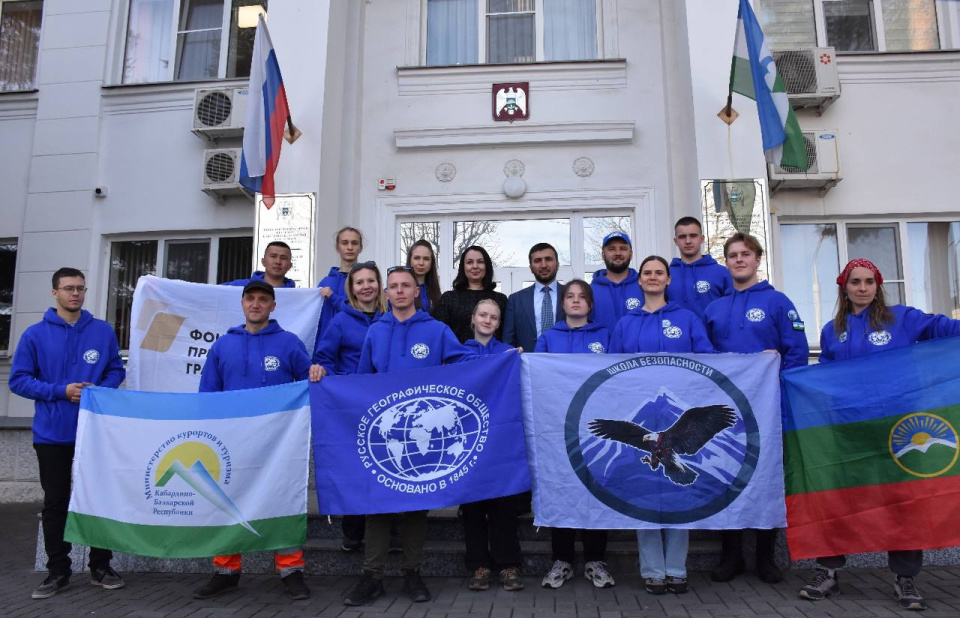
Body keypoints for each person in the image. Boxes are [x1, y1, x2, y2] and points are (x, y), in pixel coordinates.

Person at [797, 258, 960, 611]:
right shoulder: (832, 331)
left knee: (902, 501)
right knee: (838, 500)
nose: (863, 288)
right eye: (855, 282)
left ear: (878, 286)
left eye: (869, 282)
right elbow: (826, 376)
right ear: (844, 287)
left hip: (896, 430)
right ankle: (828, 571)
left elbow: (944, 329)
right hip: (848, 430)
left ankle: (905, 577)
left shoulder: (902, 318)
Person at [344, 266, 476, 606]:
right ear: (386, 293)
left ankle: (412, 573)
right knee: (377, 506)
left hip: (421, 433)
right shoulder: (375, 332)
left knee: (416, 507)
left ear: (417, 292)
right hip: (386, 434)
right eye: (394, 286)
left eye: (406, 285)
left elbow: (466, 363)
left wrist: (499, 359)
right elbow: (363, 380)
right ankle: (372, 577)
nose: (400, 291)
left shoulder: (437, 330)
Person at [193, 280, 323, 601]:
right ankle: (226, 571)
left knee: (284, 502)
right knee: (227, 503)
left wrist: (318, 373)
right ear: (242, 303)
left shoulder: (289, 343)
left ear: (273, 306)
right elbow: (207, 397)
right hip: (231, 443)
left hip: (278, 445)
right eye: (250, 298)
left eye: (263, 299)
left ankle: (291, 570)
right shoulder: (223, 346)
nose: (256, 304)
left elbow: (309, 384)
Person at [10, 267, 127, 600]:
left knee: (99, 499)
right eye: (68, 288)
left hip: (95, 433)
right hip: (52, 434)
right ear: (55, 293)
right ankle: (58, 570)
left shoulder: (102, 331)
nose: (75, 294)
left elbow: (116, 370)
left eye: (80, 288)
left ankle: (101, 566)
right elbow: (18, 380)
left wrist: (97, 391)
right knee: (56, 503)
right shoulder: (34, 335)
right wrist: (61, 391)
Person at [703, 233, 809, 584]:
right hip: (726, 409)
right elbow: (705, 357)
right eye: (732, 255)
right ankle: (731, 556)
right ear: (726, 262)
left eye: (745, 254)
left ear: (757, 259)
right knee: (726, 476)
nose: (739, 260)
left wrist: (776, 372)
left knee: (766, 478)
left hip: (767, 407)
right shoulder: (714, 308)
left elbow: (797, 352)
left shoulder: (778, 302)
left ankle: (766, 557)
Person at [609, 257, 714, 595]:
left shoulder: (688, 319)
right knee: (645, 493)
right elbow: (609, 372)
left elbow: (709, 363)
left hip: (677, 417)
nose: (653, 277)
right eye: (647, 273)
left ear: (668, 279)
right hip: (641, 420)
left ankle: (677, 568)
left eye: (659, 273)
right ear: (639, 281)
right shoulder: (625, 324)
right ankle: (653, 570)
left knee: (678, 495)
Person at [535, 280, 615, 590]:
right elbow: (537, 378)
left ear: (590, 304)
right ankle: (562, 560)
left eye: (582, 297)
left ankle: (596, 560)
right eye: (570, 296)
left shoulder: (605, 336)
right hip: (557, 426)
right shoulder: (548, 338)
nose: (576, 301)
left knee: (595, 487)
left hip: (596, 427)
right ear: (563, 304)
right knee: (561, 488)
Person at [313, 262, 386, 552]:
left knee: (385, 466)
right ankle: (353, 532)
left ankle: (387, 531)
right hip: (352, 407)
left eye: (371, 280)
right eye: (359, 282)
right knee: (356, 468)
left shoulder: (391, 318)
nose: (366, 286)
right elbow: (324, 358)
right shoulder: (340, 321)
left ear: (379, 285)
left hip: (384, 404)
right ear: (351, 289)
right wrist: (330, 375)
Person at [460, 299, 524, 592]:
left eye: (493, 317)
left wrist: (518, 361)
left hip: (501, 442)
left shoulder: (508, 354)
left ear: (499, 324)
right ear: (473, 318)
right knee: (473, 508)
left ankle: (508, 564)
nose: (487, 320)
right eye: (483, 315)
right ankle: (479, 565)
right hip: (467, 443)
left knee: (503, 506)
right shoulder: (458, 354)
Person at [436, 246, 508, 343]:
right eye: (469, 262)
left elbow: (506, 335)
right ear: (463, 267)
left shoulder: (500, 299)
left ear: (487, 266)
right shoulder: (448, 298)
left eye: (480, 262)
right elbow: (440, 334)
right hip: (456, 352)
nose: (475, 266)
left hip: (492, 352)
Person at [503, 243, 564, 353]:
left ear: (558, 264)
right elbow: (508, 341)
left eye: (548, 259)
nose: (544, 265)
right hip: (527, 361)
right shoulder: (516, 300)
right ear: (531, 268)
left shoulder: (571, 295)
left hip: (564, 360)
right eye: (537, 261)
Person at [667, 217, 732, 318]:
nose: (688, 241)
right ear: (675, 241)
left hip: (711, 328)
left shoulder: (721, 273)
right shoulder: (666, 274)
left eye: (693, 236)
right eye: (682, 237)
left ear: (702, 238)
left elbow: (732, 308)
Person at [315, 227, 364, 343]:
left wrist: (333, 297)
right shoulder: (325, 283)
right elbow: (317, 320)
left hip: (354, 346)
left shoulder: (366, 281)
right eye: (344, 243)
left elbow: (363, 311)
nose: (350, 247)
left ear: (360, 248)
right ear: (337, 247)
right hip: (327, 346)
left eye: (354, 243)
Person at [590, 231, 642, 333]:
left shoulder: (644, 286)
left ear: (631, 254)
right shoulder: (590, 291)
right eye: (611, 249)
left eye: (623, 248)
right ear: (603, 255)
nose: (618, 253)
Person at [223, 241, 297, 288]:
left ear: (290, 266)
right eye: (273, 256)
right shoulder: (238, 287)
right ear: (263, 261)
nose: (278, 262)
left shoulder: (296, 296)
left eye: (283, 258)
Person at [406, 239, 442, 314]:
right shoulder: (397, 290)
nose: (421, 263)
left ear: (431, 262)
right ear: (410, 260)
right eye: (417, 258)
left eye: (426, 259)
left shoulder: (436, 293)